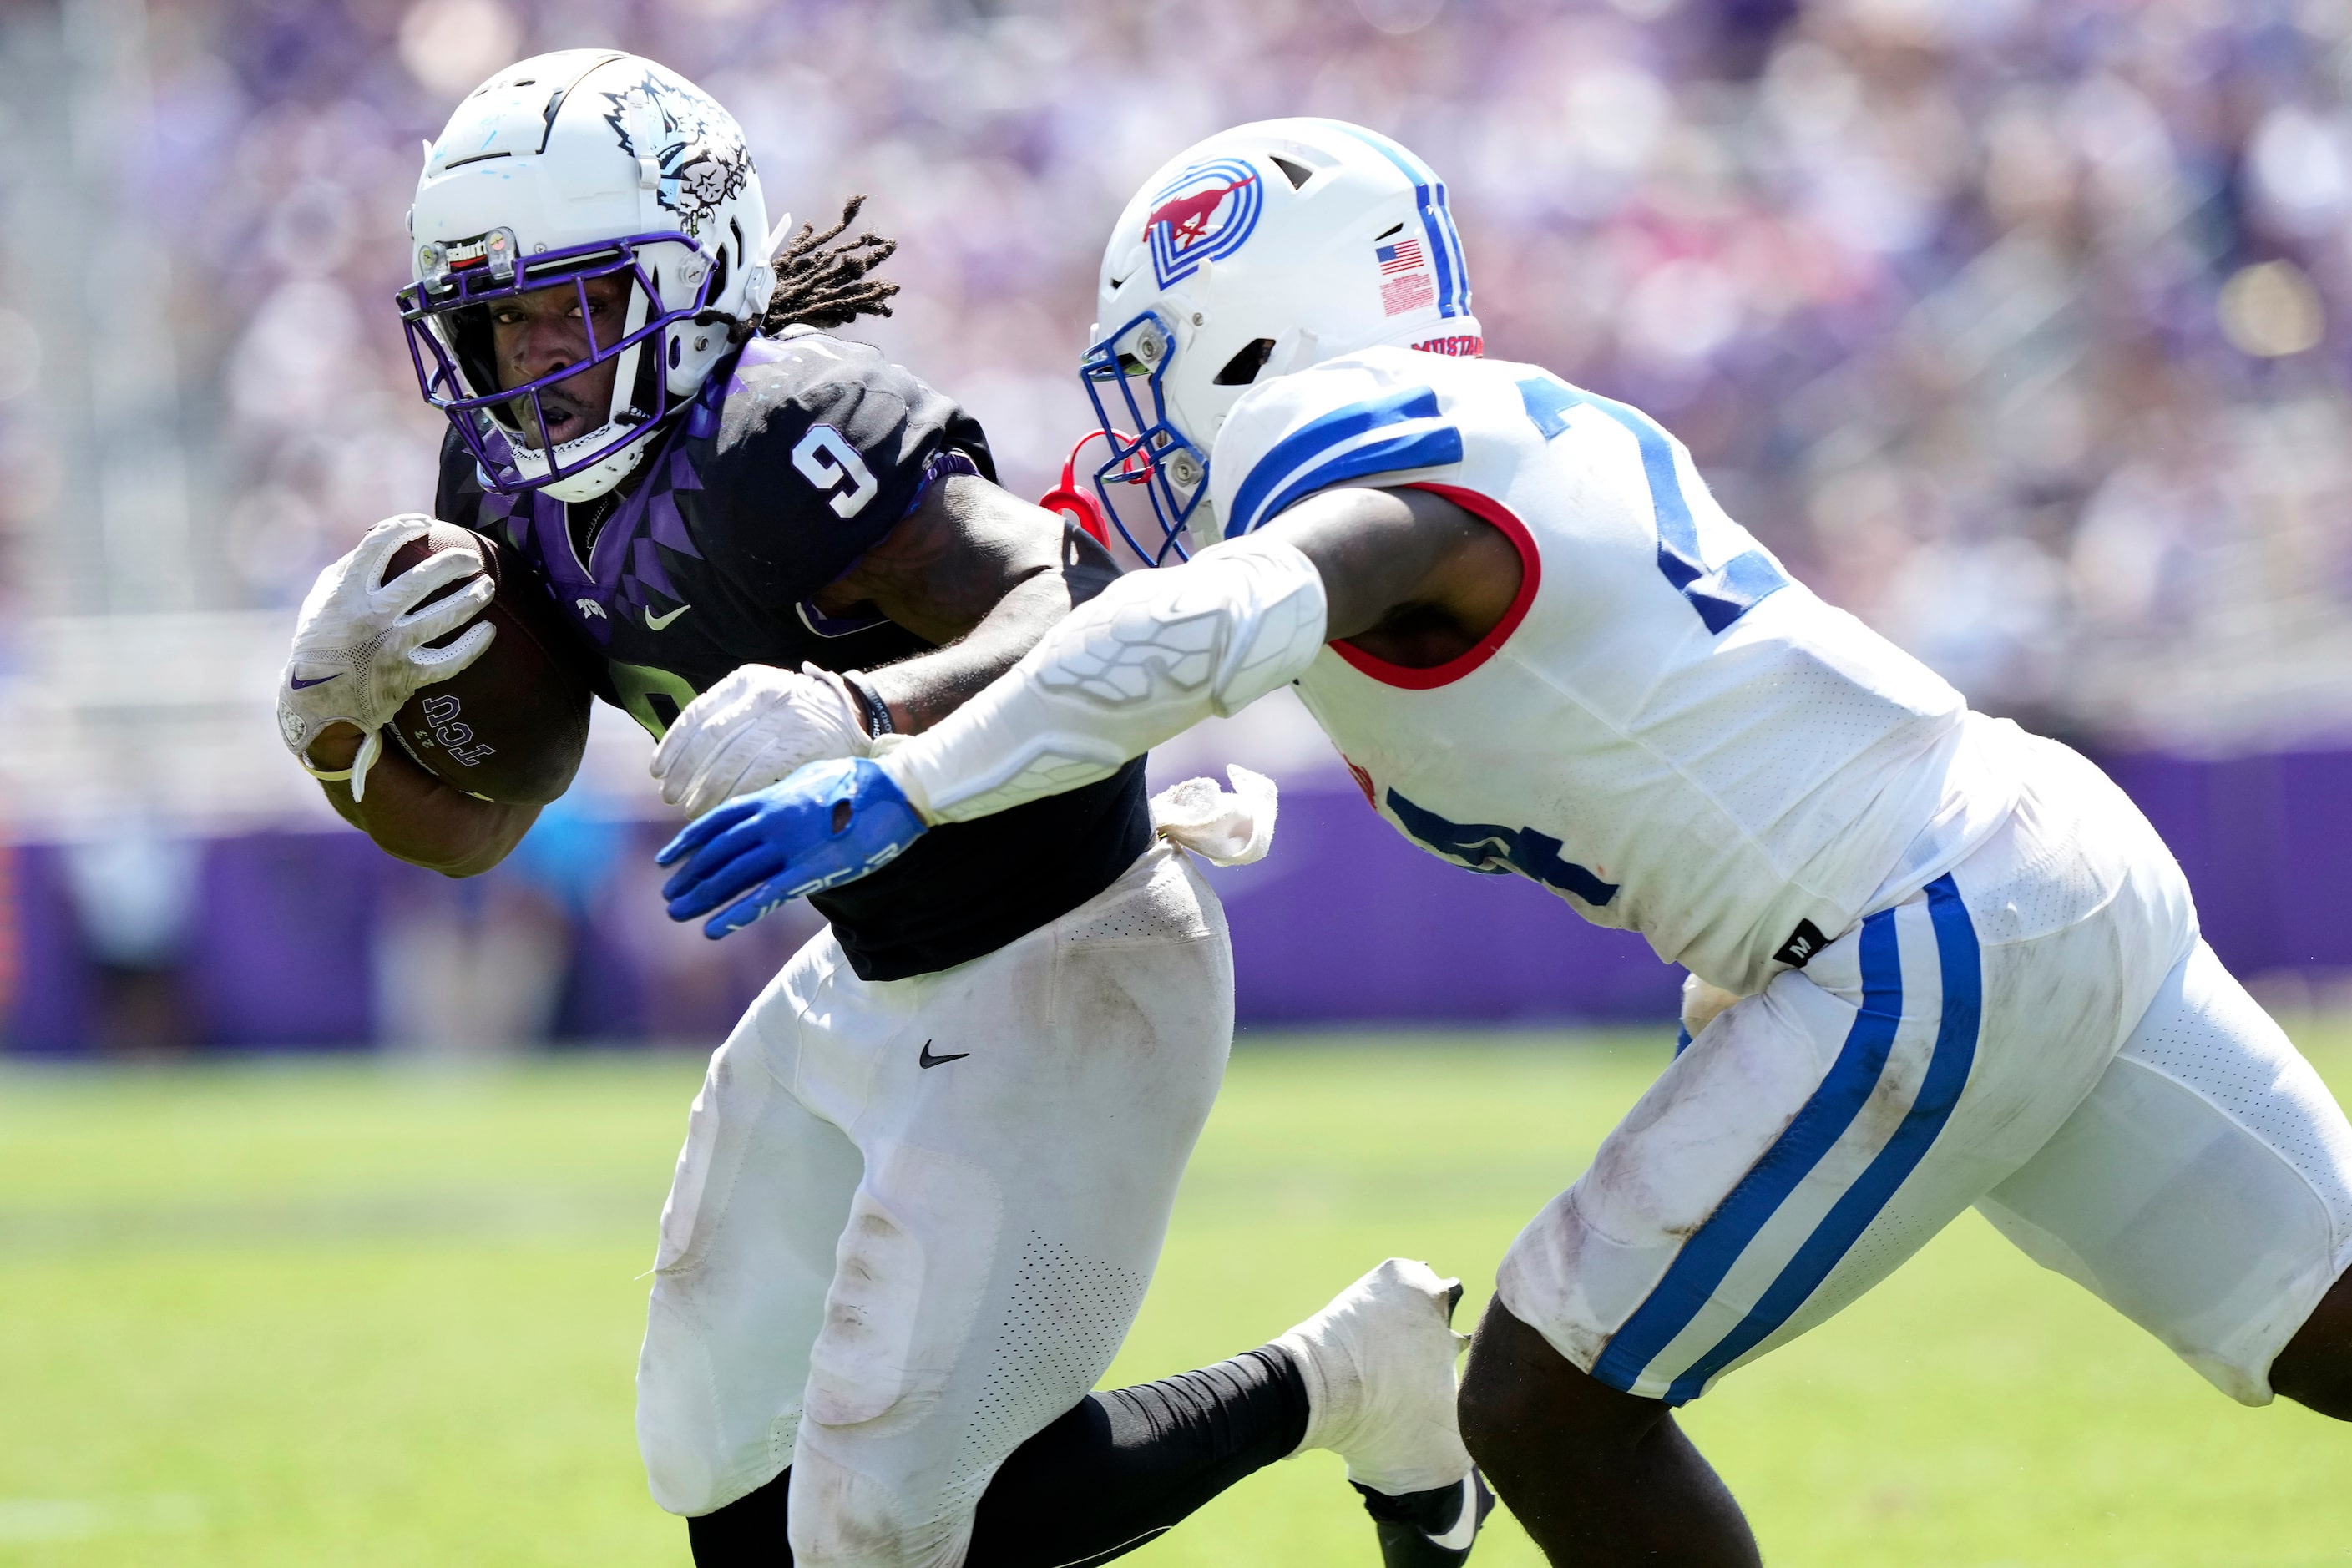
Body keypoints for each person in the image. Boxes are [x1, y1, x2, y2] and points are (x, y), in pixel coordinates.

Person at [657, 118, 2352, 1565]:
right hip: (2017, 863)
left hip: (1925, 925)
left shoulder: (1341, 450)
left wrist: (908, 766)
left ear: (1252, 337)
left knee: (1541, 1405)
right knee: (2322, 1318)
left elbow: (1235, 611)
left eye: (1152, 374)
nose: (1135, 431)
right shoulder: (1494, 422)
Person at [273, 60, 1490, 1568]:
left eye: (575, 306)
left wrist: (872, 713)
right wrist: (330, 732)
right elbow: (475, 829)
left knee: (878, 1526)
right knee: (721, 1473)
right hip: (863, 975)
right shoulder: (501, 475)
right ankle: (1353, 1370)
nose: (533, 356)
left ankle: (1345, 1377)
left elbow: (1083, 591)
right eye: (500, 316)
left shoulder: (784, 434)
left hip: (1072, 959)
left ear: (690, 268)